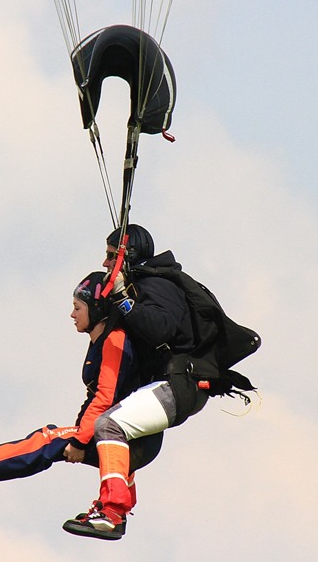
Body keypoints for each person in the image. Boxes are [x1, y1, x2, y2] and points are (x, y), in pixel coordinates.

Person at [0, 271, 163, 538]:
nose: (71, 314)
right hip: (126, 438)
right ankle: (114, 513)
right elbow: (97, 398)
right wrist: (79, 433)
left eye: (77, 308)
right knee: (55, 440)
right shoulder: (100, 340)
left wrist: (79, 441)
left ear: (96, 309)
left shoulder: (114, 339)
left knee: (49, 439)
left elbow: (106, 397)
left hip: (133, 440)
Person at [62, 225, 209, 540]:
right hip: (167, 385)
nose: (105, 263)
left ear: (126, 256)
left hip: (181, 382)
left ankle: (112, 511)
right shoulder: (138, 286)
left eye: (110, 256)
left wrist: (123, 300)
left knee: (108, 425)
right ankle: (115, 511)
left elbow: (161, 329)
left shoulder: (158, 283)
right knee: (116, 430)